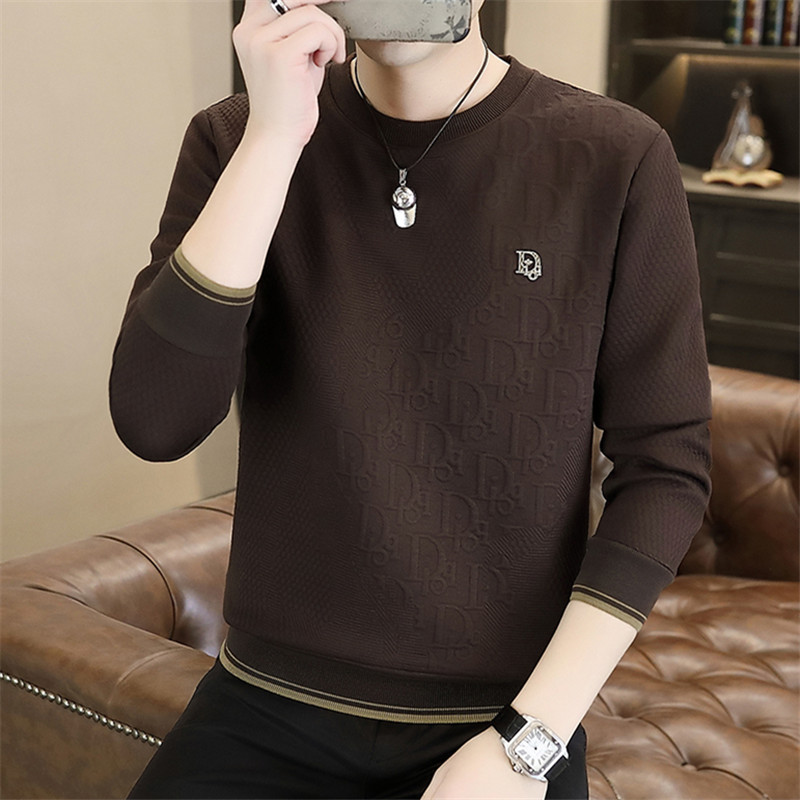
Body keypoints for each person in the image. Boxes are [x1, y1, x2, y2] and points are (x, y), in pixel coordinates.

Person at [110, 0, 712, 797]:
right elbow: (154, 421)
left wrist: (527, 742)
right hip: (266, 700)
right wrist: (274, 137)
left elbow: (666, 468)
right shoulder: (236, 139)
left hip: (498, 721)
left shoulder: (615, 154)